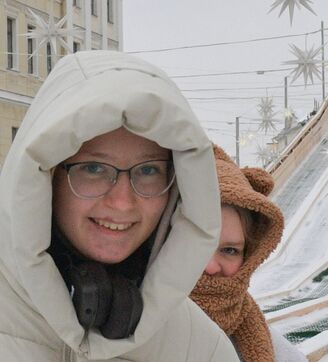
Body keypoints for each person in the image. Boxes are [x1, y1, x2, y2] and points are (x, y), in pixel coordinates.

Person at [0, 51, 239, 361]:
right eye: (95, 169)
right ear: (47, 175)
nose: (123, 202)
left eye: (149, 170)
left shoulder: (202, 349)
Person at [190, 146, 307, 362]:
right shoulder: (123, 331)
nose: (211, 266)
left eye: (229, 250)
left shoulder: (271, 349)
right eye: (198, 245)